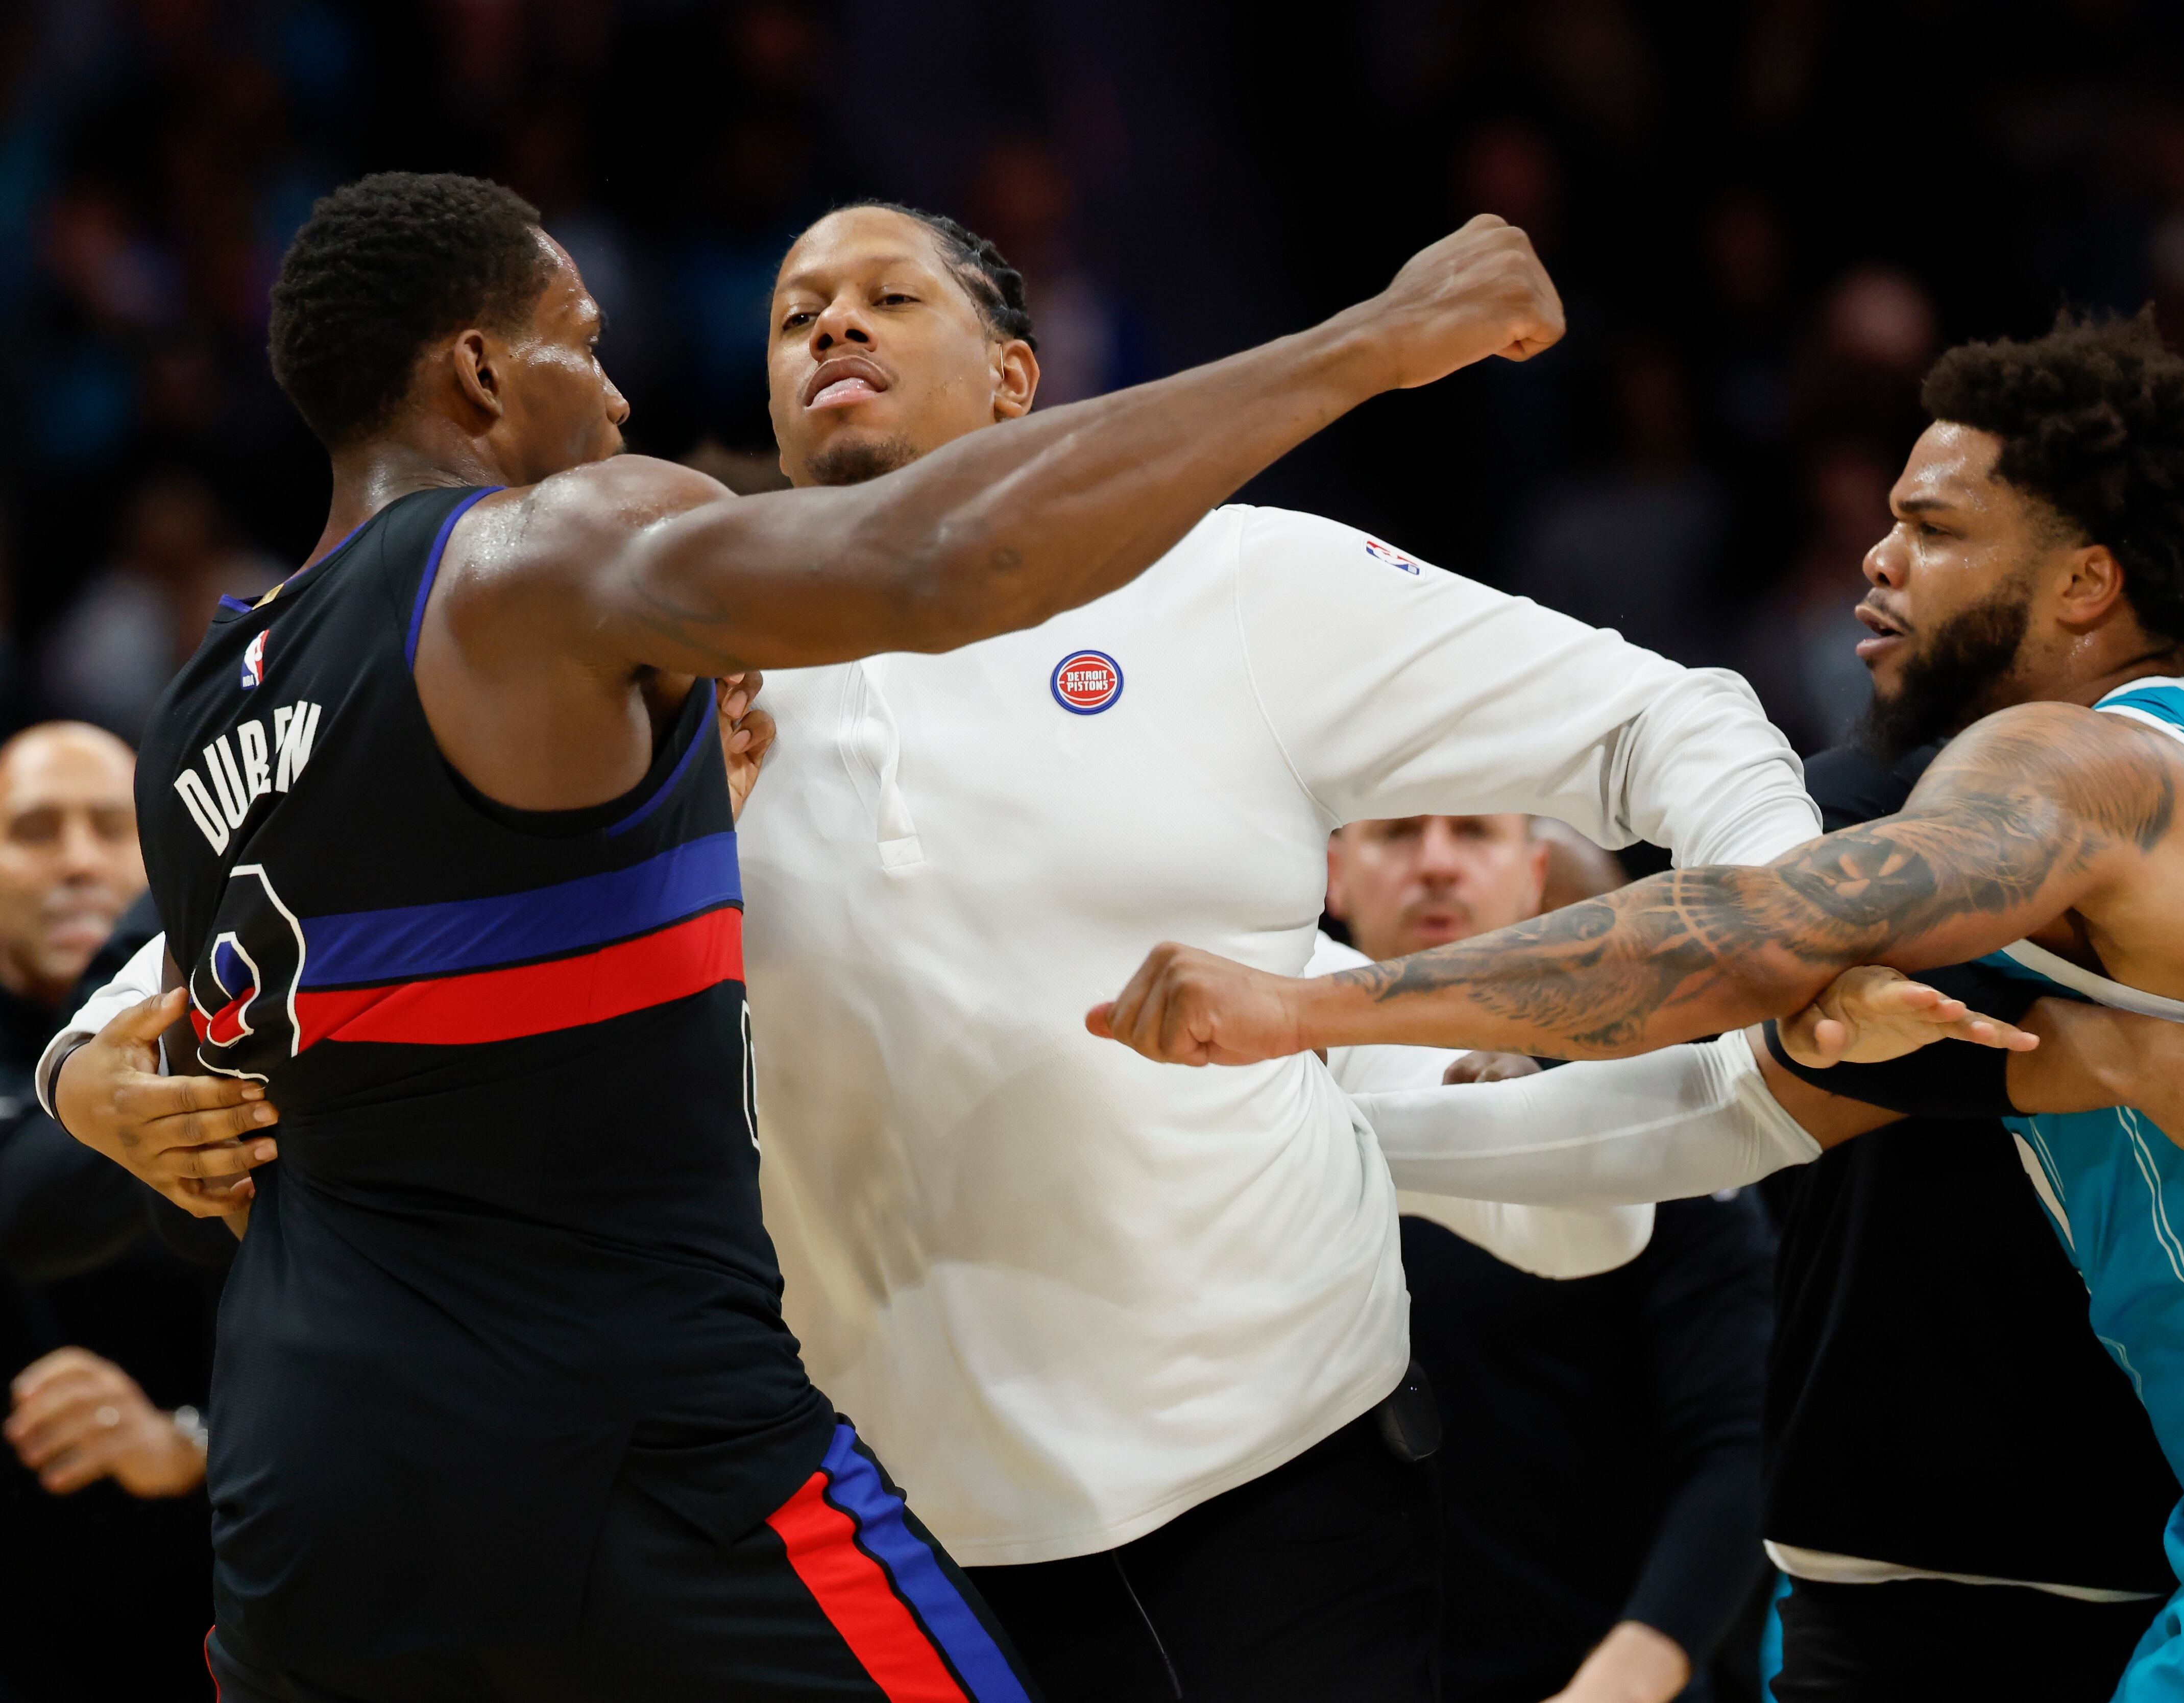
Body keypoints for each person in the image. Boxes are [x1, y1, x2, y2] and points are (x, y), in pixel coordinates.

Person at [48, 170, 1565, 1700]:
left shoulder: (197, 711)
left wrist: (68, 1079)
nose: (624, 395)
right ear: (483, 372)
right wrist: (1373, 341)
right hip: (647, 1457)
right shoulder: (547, 552)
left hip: (307, 1499)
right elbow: (944, 561)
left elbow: (299, 1073)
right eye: (583, 343)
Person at [1094, 311, 2184, 1696]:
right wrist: (2108, 1053)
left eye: (1934, 530)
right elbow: (1773, 1071)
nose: (1876, 557)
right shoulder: (2128, 813)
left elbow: (1753, 930)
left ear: (2086, 585)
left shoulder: (2077, 767)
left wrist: (1312, 1018)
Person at [720, 198, 1829, 1703]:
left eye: (887, 299)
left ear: (1016, 381)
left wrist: (1799, 912)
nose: (832, 327)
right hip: (894, 1543)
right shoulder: (683, 684)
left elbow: (1662, 716)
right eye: (797, 314)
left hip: (1273, 1491)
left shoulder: (1219, 581)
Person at [1328, 812, 1775, 1703]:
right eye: (1400, 833)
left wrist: (1624, 1681)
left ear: (1536, 873)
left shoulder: (1643, 1097)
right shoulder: (1250, 1097)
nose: (1439, 865)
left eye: (1474, 831)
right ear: (1330, 874)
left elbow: (1745, 1436)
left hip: (1597, 1674)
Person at [0, 724, 222, 1701]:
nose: (81, 861)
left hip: (205, 1608)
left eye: (113, 828)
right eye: (36, 831)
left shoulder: (242, 1037)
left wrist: (189, 1442)